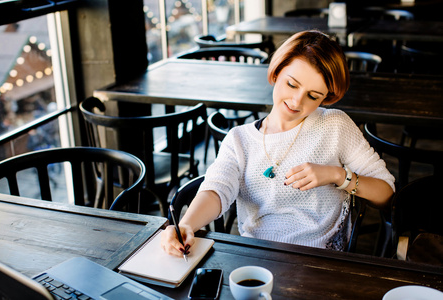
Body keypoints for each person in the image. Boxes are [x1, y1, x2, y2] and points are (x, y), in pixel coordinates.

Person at [161, 30, 395, 256]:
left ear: (326, 97)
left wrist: (337, 176)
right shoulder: (239, 139)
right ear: (276, 73)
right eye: (291, 84)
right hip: (259, 256)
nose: (296, 101)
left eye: (313, 96)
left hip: (321, 257)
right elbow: (216, 190)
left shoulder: (335, 125)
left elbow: (386, 192)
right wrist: (186, 225)